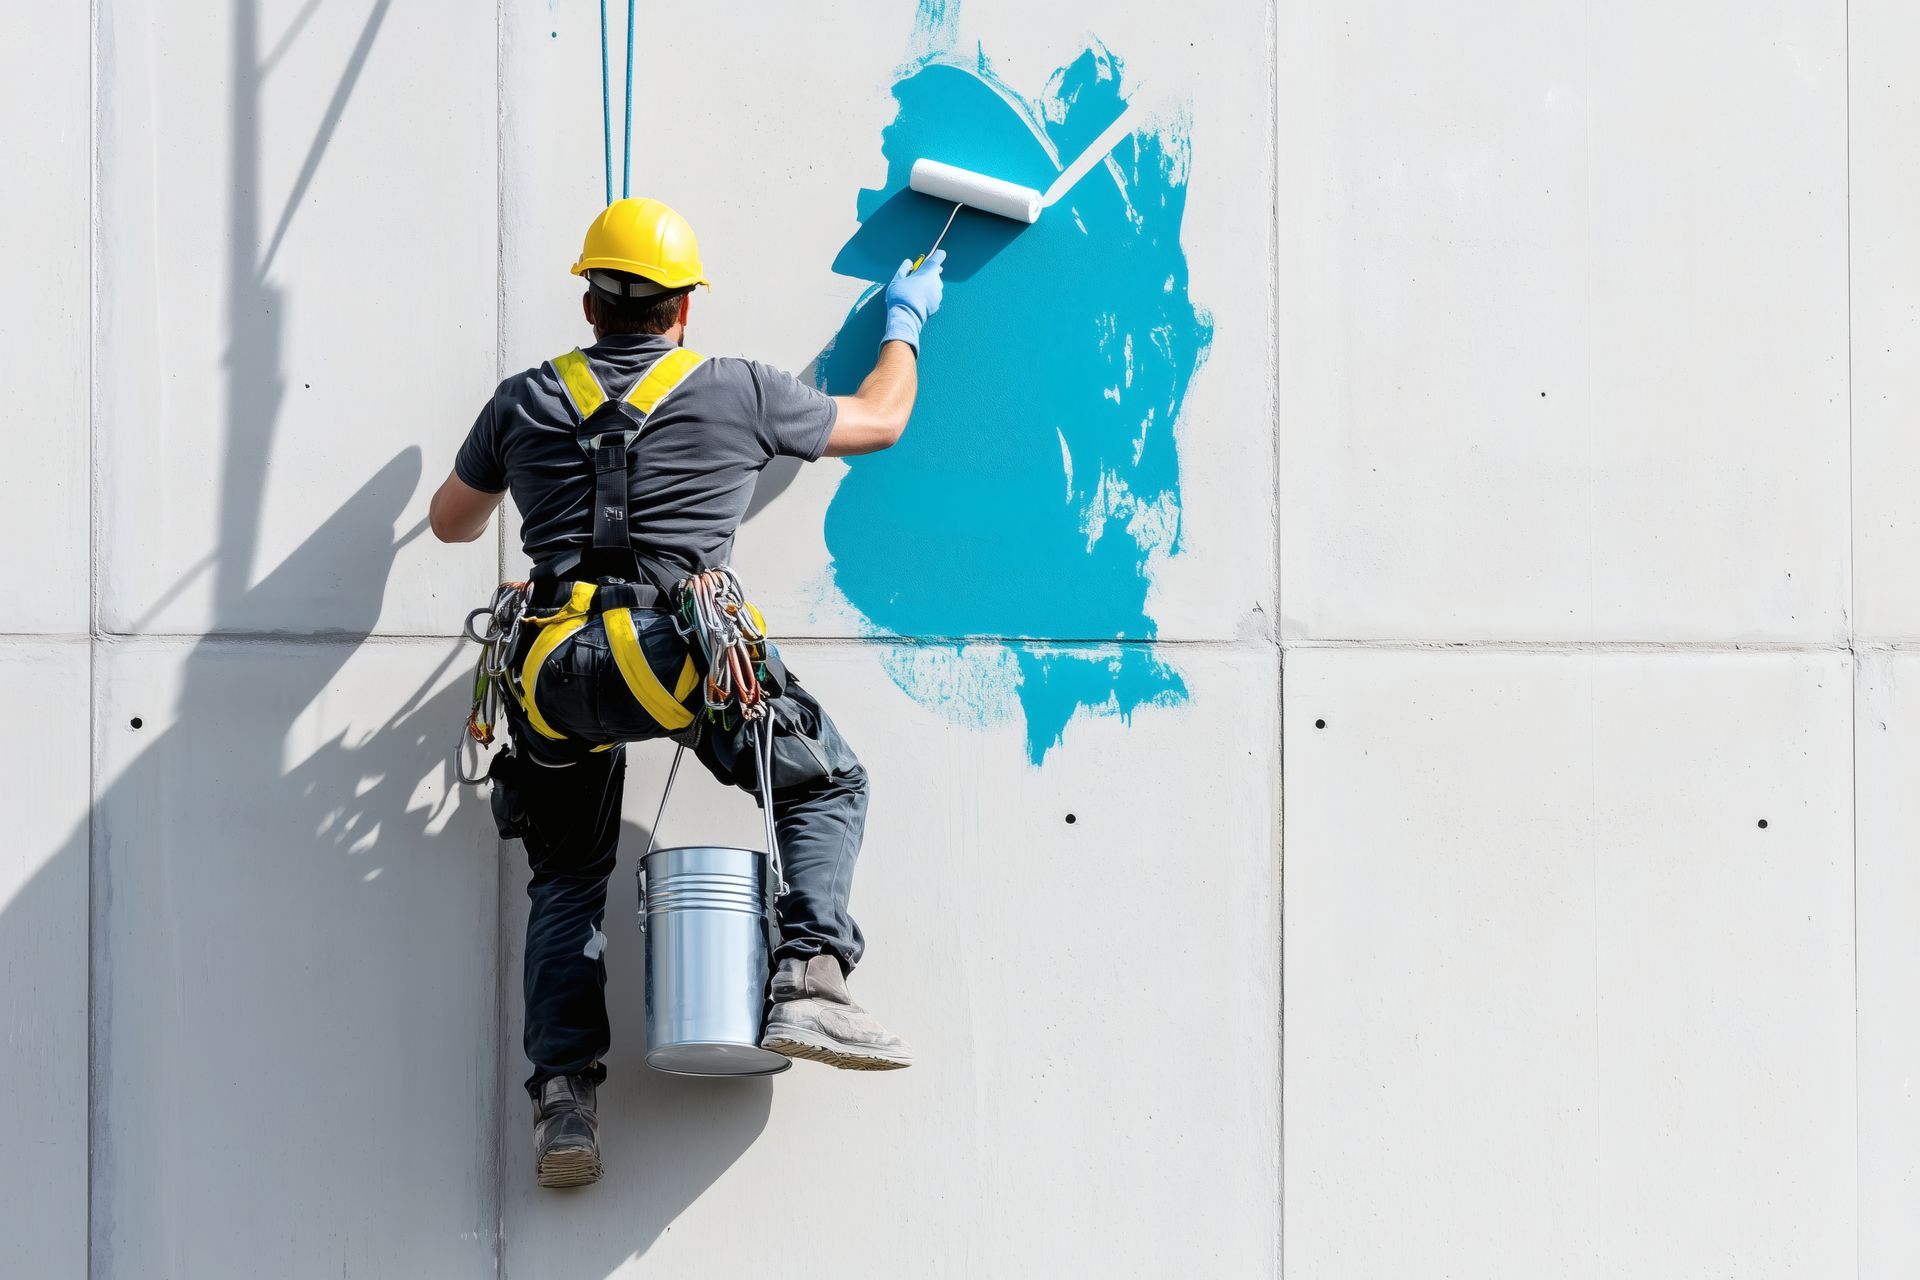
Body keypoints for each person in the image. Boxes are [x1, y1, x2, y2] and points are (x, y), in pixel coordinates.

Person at [429, 197, 944, 1189]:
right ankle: (810, 976)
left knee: (568, 877)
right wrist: (904, 321)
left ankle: (564, 1099)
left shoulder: (522, 400)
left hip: (555, 671)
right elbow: (879, 420)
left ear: (589, 302)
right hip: (683, 655)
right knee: (823, 781)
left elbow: (453, 522)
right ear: (683, 310)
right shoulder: (739, 390)